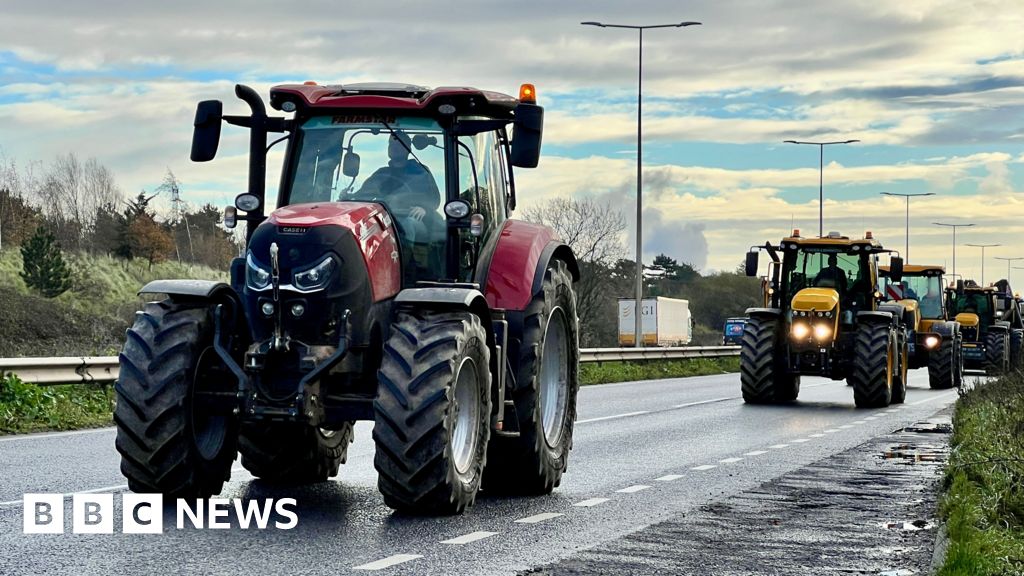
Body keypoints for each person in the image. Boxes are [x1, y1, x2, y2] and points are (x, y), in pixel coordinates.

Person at [356, 131, 441, 243]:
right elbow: (363, 195)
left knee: (406, 225)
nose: (394, 147)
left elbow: (434, 199)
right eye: (391, 144)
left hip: (413, 218)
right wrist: (348, 197)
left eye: (399, 144)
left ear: (408, 148)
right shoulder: (381, 174)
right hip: (385, 218)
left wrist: (424, 208)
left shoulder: (420, 171)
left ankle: (407, 258)